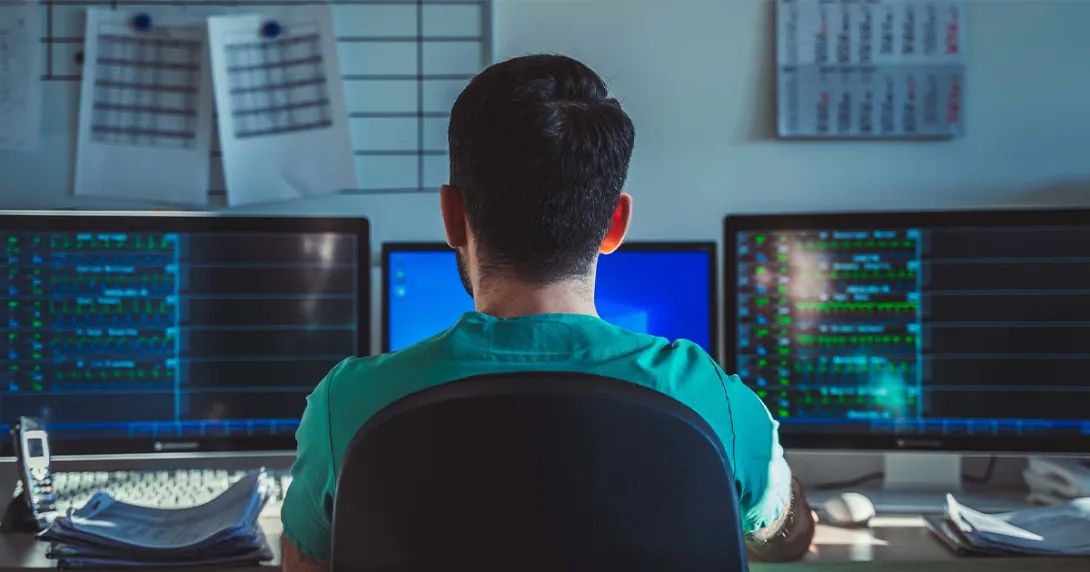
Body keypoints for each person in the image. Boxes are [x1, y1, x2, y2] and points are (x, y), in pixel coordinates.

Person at [280, 54, 815, 571]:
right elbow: (786, 537)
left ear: (450, 215)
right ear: (615, 224)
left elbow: (305, 563)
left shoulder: (346, 406)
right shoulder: (714, 401)